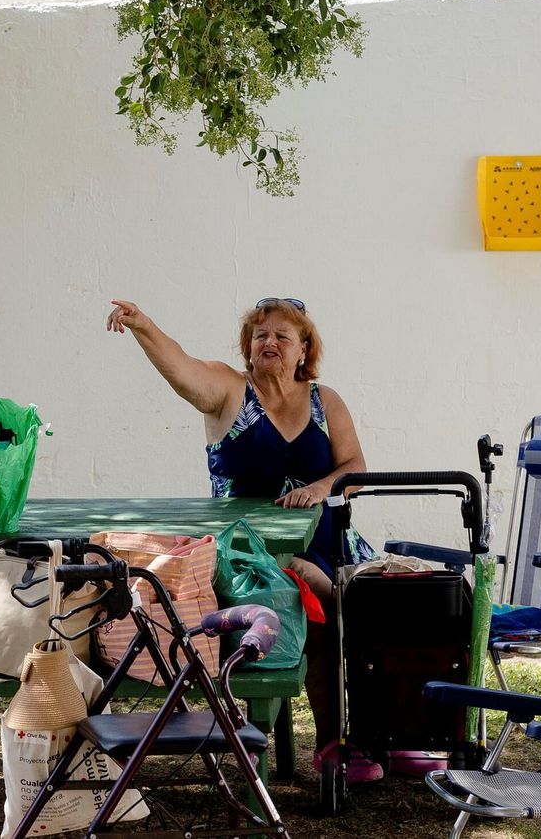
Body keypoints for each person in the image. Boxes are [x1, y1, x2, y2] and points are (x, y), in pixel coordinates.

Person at [106, 297, 382, 781]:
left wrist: (322, 487)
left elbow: (355, 467)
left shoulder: (325, 400)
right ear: (248, 347)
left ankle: (358, 739)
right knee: (319, 600)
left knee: (365, 608)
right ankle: (327, 742)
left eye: (282, 336)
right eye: (260, 336)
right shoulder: (230, 390)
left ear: (304, 349)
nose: (269, 342)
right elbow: (182, 369)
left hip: (326, 542)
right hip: (247, 555)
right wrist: (143, 325)